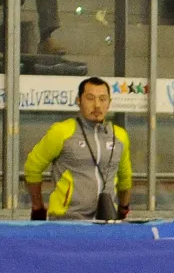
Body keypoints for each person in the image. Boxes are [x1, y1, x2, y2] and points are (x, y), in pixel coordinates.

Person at [25, 77, 133, 221]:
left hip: (106, 221)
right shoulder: (62, 132)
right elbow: (33, 167)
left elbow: (125, 178)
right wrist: (37, 207)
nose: (97, 105)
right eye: (90, 98)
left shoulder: (120, 136)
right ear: (78, 101)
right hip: (66, 221)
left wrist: (123, 208)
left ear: (109, 103)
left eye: (102, 99)